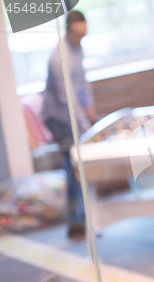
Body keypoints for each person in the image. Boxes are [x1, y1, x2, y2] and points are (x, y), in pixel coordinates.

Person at [41, 10, 96, 238]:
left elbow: (81, 83)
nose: (80, 39)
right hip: (58, 118)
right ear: (67, 31)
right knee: (73, 167)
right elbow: (68, 98)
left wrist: (91, 108)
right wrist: (85, 125)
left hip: (72, 112)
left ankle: (86, 217)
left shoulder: (78, 48)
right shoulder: (58, 58)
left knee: (80, 165)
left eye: (84, 35)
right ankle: (74, 222)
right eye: (77, 36)